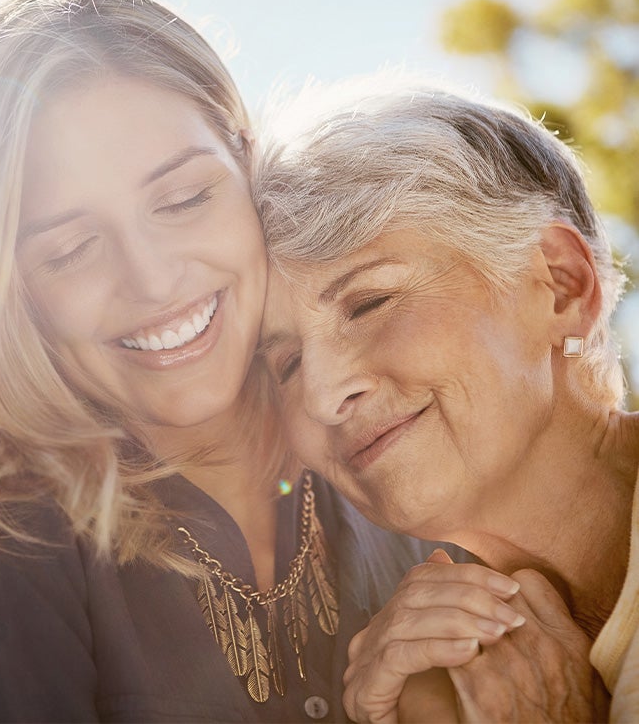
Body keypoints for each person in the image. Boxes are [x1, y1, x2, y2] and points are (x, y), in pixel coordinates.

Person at [0, 0, 496, 723]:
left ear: (246, 160)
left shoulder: (408, 450)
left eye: (182, 200)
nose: (152, 280)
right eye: (72, 249)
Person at [254, 76, 638, 721]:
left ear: (560, 284)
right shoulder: (441, 679)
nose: (323, 396)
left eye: (371, 302)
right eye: (286, 365)